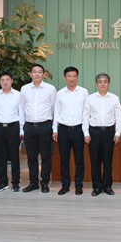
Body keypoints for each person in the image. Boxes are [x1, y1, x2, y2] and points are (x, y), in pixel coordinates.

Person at [83, 73, 121, 196]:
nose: (102, 84)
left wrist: (118, 133)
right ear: (96, 84)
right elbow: (85, 117)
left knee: (107, 161)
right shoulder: (90, 98)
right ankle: (96, 187)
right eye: (100, 81)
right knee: (95, 161)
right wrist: (86, 133)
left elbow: (118, 117)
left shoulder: (114, 98)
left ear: (108, 84)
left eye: (105, 81)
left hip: (109, 132)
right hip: (94, 132)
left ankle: (107, 186)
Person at [20, 64, 57, 193]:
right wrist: (22, 128)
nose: (37, 74)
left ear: (43, 74)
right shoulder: (24, 89)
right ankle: (33, 183)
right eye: (34, 72)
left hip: (45, 126)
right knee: (31, 156)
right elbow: (22, 108)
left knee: (46, 157)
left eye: (39, 72)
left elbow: (54, 109)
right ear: (30, 74)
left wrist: (54, 128)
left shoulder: (50, 89)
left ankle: (45, 183)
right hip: (29, 126)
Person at [53, 67, 89, 196]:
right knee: (64, 161)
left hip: (78, 129)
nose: (71, 79)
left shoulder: (84, 92)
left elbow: (87, 112)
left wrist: (86, 131)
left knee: (79, 160)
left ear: (77, 77)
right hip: (63, 130)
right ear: (65, 78)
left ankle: (78, 186)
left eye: (74, 76)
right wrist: (55, 130)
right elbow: (56, 112)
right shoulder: (60, 93)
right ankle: (65, 186)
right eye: (69, 76)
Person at [0, 72, 25, 192]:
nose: (5, 82)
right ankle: (3, 182)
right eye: (2, 80)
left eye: (7, 80)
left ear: (12, 81)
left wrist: (21, 129)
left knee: (14, 157)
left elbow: (21, 112)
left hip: (13, 127)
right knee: (0, 157)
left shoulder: (18, 95)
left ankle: (15, 182)